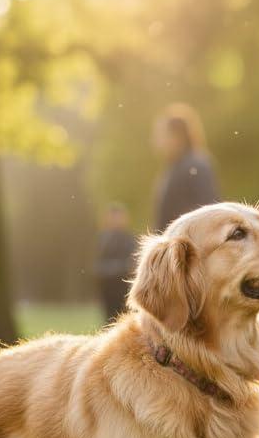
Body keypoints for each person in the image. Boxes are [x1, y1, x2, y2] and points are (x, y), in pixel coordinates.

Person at [152, 103, 221, 232]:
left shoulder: (197, 165)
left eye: (161, 134)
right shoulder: (172, 168)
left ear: (177, 136)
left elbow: (210, 212)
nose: (156, 141)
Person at [94, 202, 137, 323]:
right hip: (107, 285)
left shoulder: (128, 239)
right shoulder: (103, 239)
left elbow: (132, 262)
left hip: (123, 285)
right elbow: (98, 263)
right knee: (109, 317)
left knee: (122, 317)